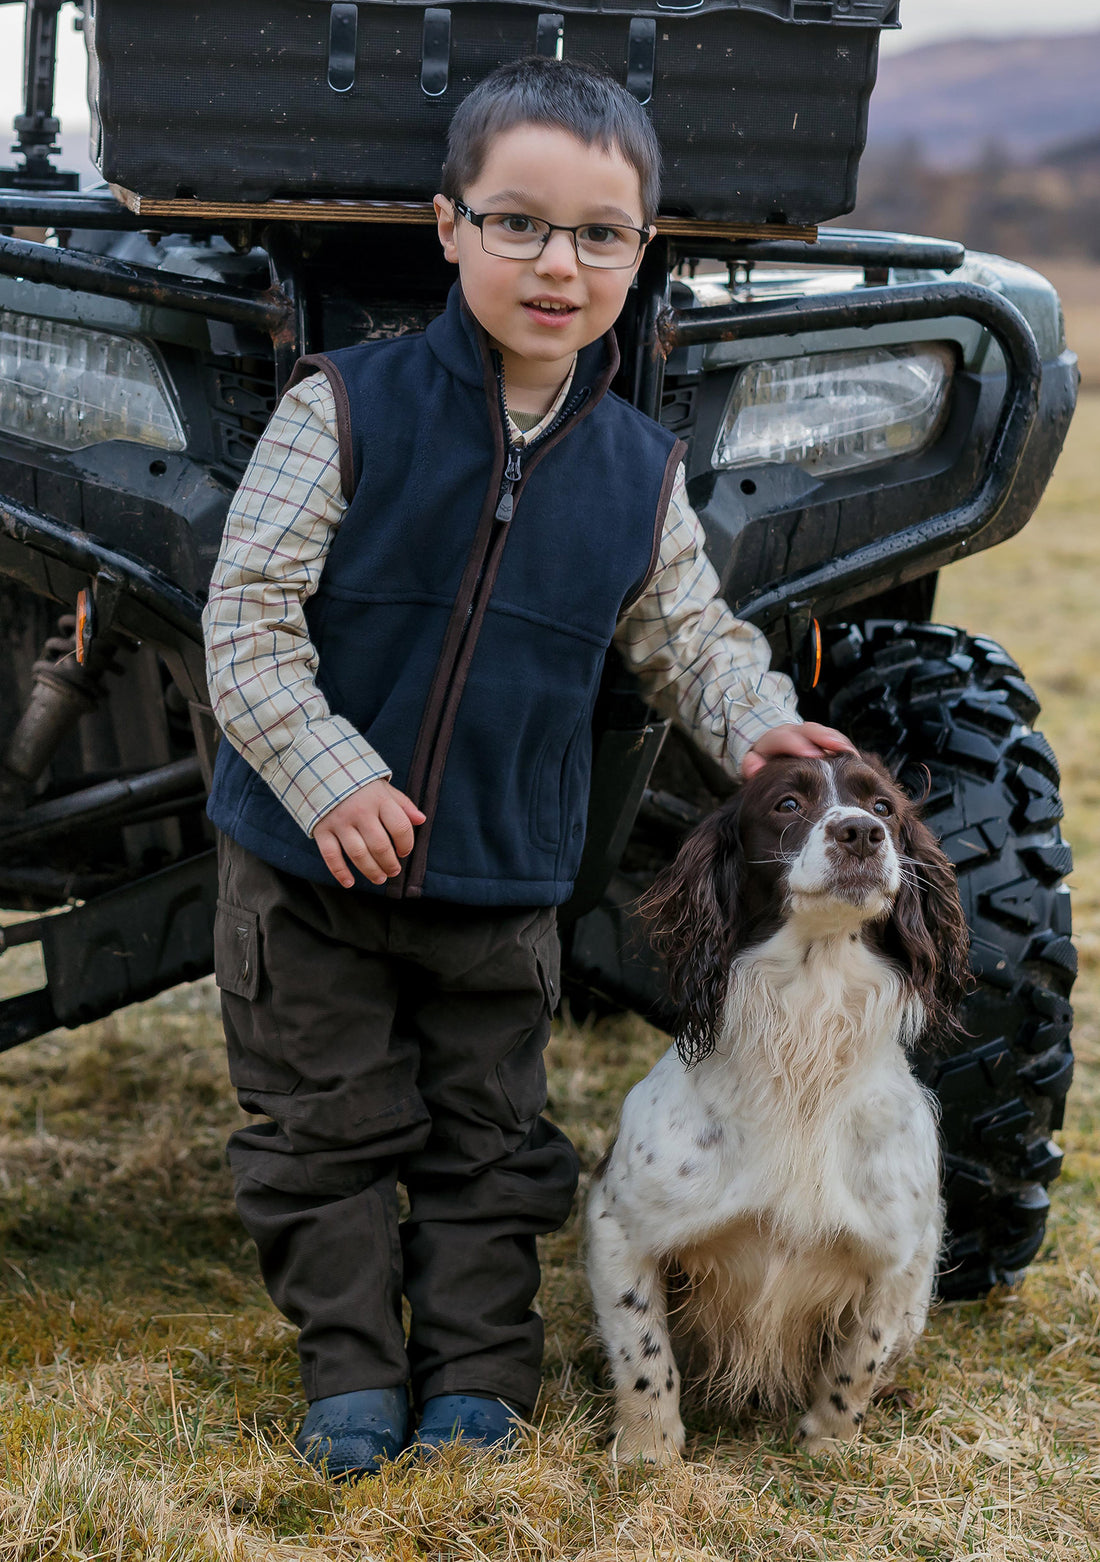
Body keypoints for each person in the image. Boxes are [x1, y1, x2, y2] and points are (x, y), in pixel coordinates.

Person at [202, 55, 851, 1480]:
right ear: (449, 228)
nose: (558, 264)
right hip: (310, 871)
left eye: (599, 234)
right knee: (324, 1132)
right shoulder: (345, 409)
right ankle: (355, 1373)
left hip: (499, 877)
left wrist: (754, 723)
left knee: (492, 1139)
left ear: (642, 250)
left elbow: (693, 633)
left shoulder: (638, 468)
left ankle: (480, 1377)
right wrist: (331, 778)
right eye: (518, 224)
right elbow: (244, 624)